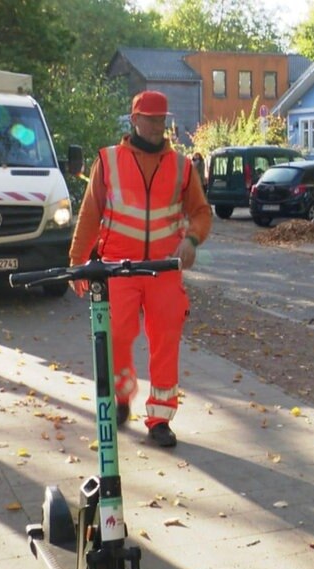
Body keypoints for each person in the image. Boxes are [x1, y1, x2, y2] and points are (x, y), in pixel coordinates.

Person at [68, 90, 212, 448]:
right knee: (116, 336)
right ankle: (120, 397)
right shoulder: (109, 161)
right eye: (150, 119)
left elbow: (201, 212)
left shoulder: (180, 166)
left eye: (162, 119)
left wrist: (192, 240)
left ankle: (160, 418)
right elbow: (90, 213)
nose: (157, 126)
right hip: (119, 268)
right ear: (134, 119)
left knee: (165, 341)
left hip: (164, 269)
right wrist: (78, 262)